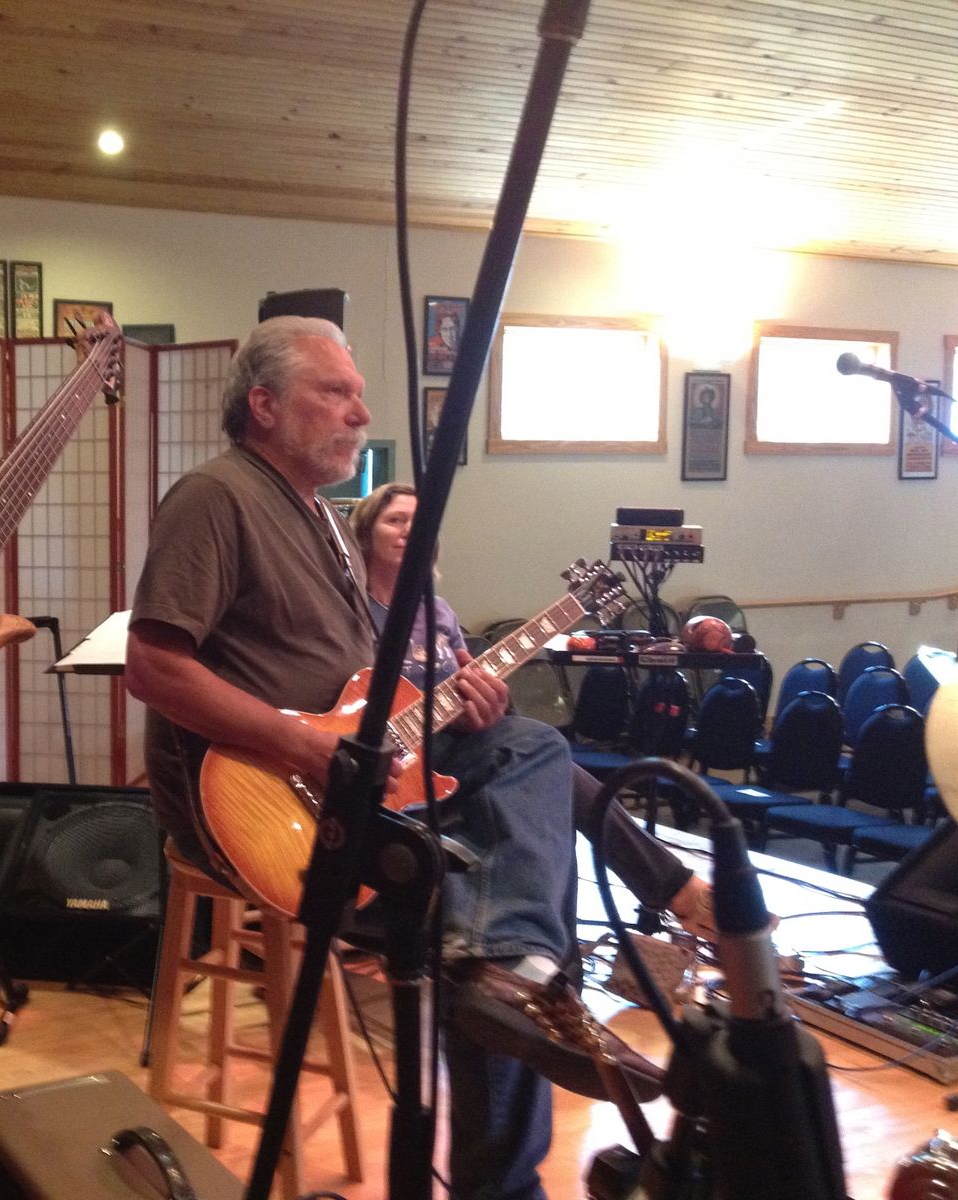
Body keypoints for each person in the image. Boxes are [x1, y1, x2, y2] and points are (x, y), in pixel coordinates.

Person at [125, 316, 663, 1200]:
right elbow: (154, 669)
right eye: (335, 392)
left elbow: (359, 682)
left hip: (364, 776)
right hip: (265, 801)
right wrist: (302, 745)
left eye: (360, 395)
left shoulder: (326, 523)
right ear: (263, 405)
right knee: (476, 910)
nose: (360, 413)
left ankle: (515, 973)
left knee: (528, 751)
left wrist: (453, 695)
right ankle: (506, 1138)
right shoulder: (216, 497)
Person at [347, 481, 717, 938]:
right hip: (390, 763)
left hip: (453, 749)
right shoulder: (348, 608)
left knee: (550, 760)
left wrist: (489, 703)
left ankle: (560, 945)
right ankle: (676, 891)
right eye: (395, 520)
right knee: (555, 770)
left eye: (418, 522)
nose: (409, 530)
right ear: (365, 534)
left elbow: (469, 683)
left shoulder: (437, 612)